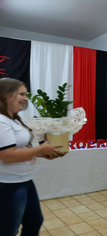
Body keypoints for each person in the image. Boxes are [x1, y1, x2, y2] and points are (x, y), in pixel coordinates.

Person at [0, 78, 64, 236]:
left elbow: (22, 148)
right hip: (8, 185)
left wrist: (44, 153)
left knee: (34, 221)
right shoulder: (1, 121)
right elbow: (7, 155)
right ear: (5, 95)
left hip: (24, 180)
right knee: (8, 230)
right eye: (21, 94)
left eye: (26, 94)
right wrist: (40, 149)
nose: (25, 98)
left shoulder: (14, 119)